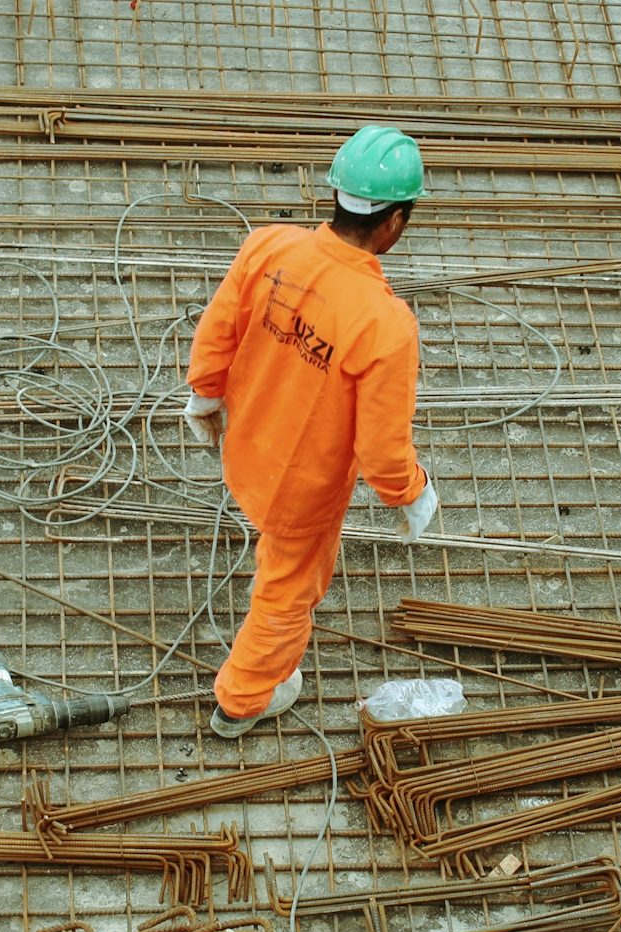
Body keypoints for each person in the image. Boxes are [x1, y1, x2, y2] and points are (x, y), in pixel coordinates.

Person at [184, 124, 439, 739]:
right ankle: (241, 701)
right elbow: (381, 451)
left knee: (275, 558)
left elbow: (217, 329)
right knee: (286, 592)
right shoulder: (385, 325)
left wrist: (203, 395)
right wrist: (412, 492)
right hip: (300, 489)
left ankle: (250, 685)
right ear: (395, 223)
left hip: (245, 445)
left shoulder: (269, 247)